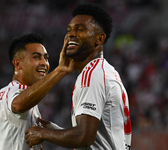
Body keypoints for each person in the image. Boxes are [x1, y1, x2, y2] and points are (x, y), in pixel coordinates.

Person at [25, 3, 132, 150]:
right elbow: (97, 138)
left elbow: (84, 137)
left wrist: (43, 133)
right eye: (69, 30)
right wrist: (56, 131)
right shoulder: (105, 71)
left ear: (99, 39)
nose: (71, 34)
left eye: (80, 29)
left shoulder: (92, 74)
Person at [0, 32, 76, 150]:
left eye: (46, 58)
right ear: (18, 64)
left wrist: (51, 132)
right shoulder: (17, 91)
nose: (44, 63)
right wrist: (60, 71)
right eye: (36, 57)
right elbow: (18, 105)